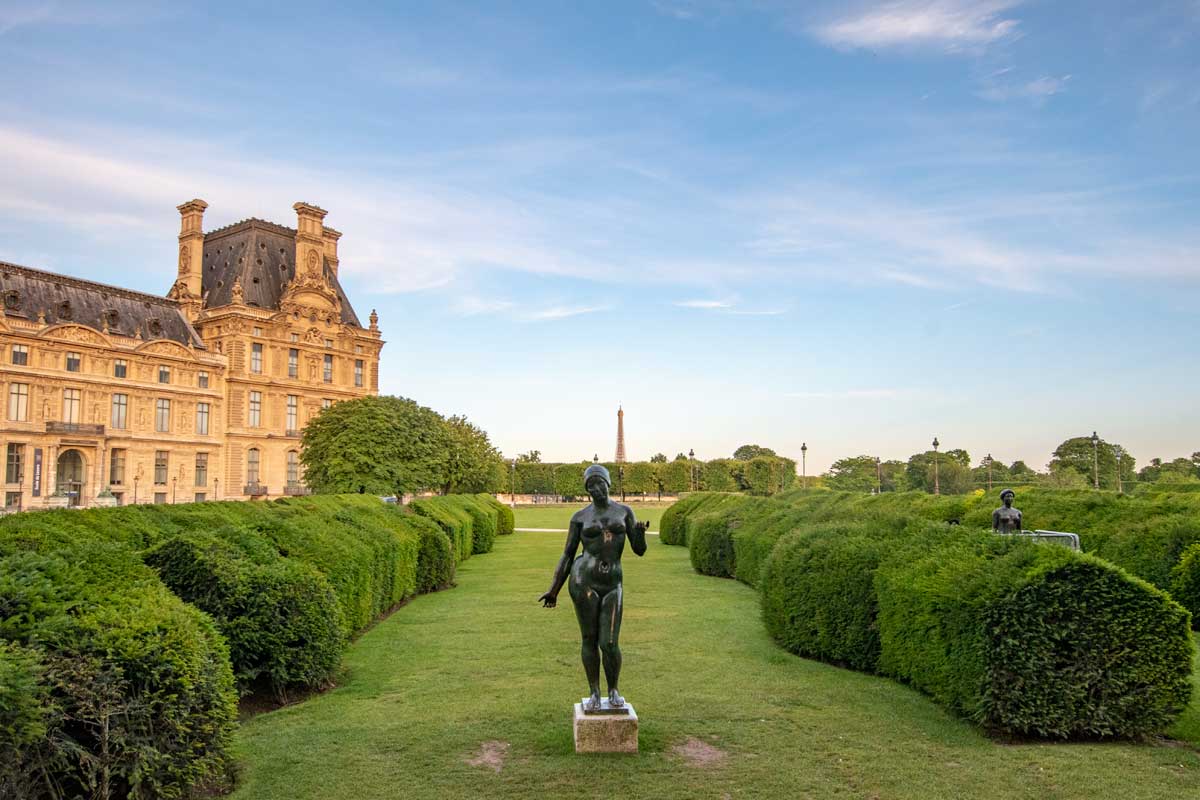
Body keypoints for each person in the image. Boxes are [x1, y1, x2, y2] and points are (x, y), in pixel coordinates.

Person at [539, 464, 647, 712]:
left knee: (609, 642)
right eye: (590, 486)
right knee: (589, 638)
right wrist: (554, 589)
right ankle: (595, 692)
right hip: (583, 580)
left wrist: (639, 535)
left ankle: (613, 689)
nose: (596, 489)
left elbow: (639, 550)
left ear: (608, 484)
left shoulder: (625, 512)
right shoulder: (580, 517)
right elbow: (567, 554)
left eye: (600, 483)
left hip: (612, 583)